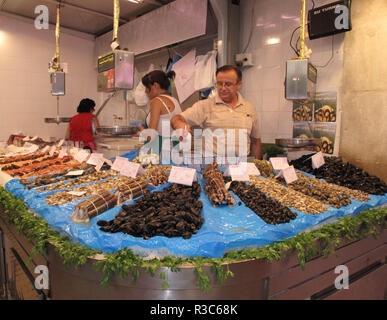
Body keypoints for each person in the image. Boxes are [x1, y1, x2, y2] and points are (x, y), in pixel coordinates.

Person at [170, 65, 262, 159]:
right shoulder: (205, 106)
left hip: (241, 167)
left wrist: (257, 166)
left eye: (228, 84)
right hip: (213, 166)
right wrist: (179, 124)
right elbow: (176, 118)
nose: (223, 88)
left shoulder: (249, 108)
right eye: (219, 83)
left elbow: (255, 142)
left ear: (239, 84)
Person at [140, 70, 182, 154]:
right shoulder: (174, 100)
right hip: (174, 151)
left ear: (155, 85)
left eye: (147, 87)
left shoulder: (157, 101)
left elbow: (151, 136)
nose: (145, 91)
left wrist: (140, 128)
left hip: (161, 152)